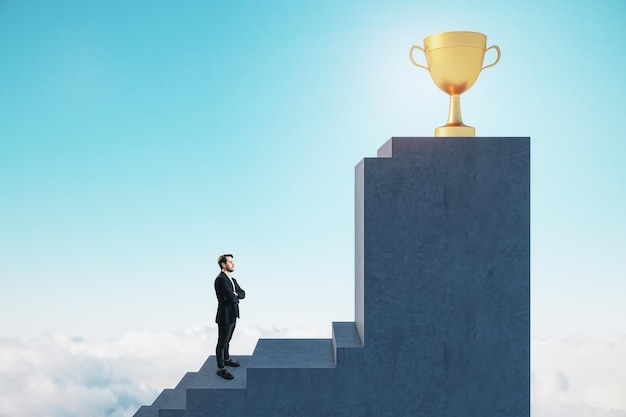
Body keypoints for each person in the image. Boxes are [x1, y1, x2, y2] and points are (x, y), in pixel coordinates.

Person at [214, 253, 246, 380]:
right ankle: (221, 368)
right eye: (230, 262)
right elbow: (233, 298)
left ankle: (226, 359)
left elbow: (242, 294)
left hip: (233, 314)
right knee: (222, 342)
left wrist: (234, 295)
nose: (233, 264)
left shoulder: (232, 280)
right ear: (223, 264)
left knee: (228, 339)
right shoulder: (220, 279)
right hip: (225, 315)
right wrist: (234, 296)